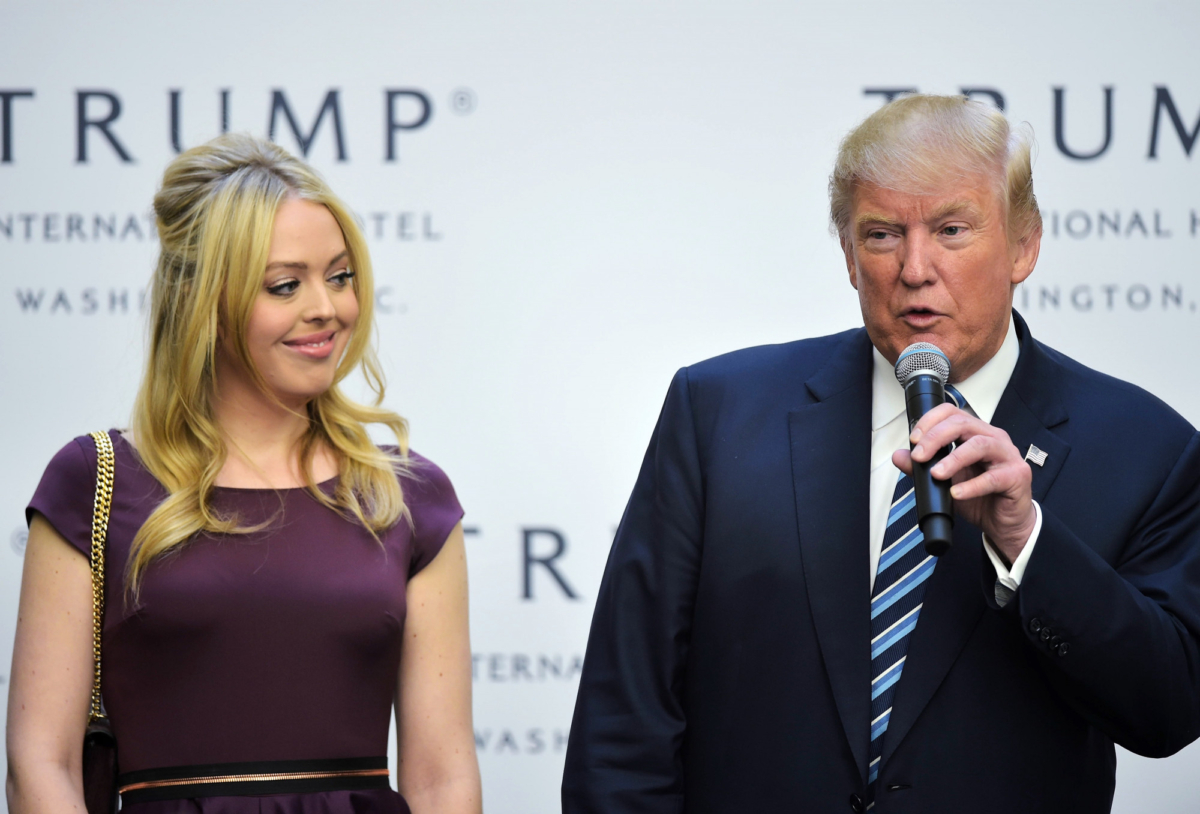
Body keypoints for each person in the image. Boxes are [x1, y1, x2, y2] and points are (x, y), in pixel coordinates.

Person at [562, 95, 1200, 813]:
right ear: (847, 255)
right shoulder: (719, 413)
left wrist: (1029, 543)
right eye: (882, 234)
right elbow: (625, 721)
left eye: (952, 230)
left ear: (1024, 245)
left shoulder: (1146, 449)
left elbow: (1168, 710)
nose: (915, 268)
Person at [6, 134, 481, 814]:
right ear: (206, 302)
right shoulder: (93, 482)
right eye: (286, 285)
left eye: (340, 276)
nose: (327, 307)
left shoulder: (409, 498)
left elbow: (443, 777)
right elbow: (39, 765)